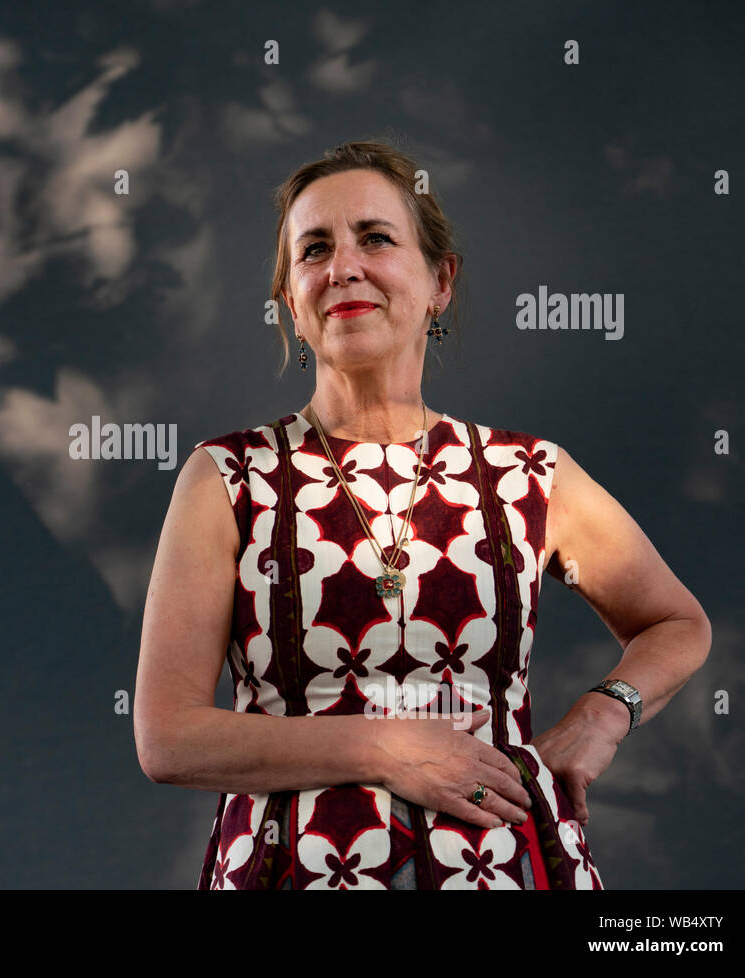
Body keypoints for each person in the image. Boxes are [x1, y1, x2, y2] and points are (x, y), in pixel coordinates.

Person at [133, 140, 712, 889]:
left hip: (510, 869)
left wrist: (601, 717)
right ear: (289, 304)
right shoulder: (228, 479)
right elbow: (169, 739)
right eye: (314, 250)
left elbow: (677, 623)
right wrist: (384, 748)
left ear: (441, 281)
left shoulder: (527, 473)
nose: (343, 266)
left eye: (375, 238)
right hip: (289, 869)